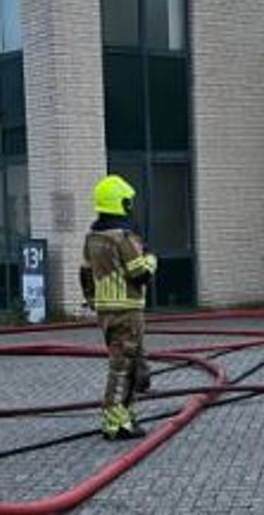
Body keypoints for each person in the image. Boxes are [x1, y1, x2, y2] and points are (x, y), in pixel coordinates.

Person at [80, 174, 157, 441]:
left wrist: (95, 302)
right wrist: (150, 258)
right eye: (128, 202)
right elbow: (140, 274)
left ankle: (125, 414)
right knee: (123, 366)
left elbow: (85, 275)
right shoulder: (122, 237)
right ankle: (115, 421)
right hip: (127, 310)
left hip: (106, 312)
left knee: (134, 364)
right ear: (120, 203)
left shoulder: (93, 238)